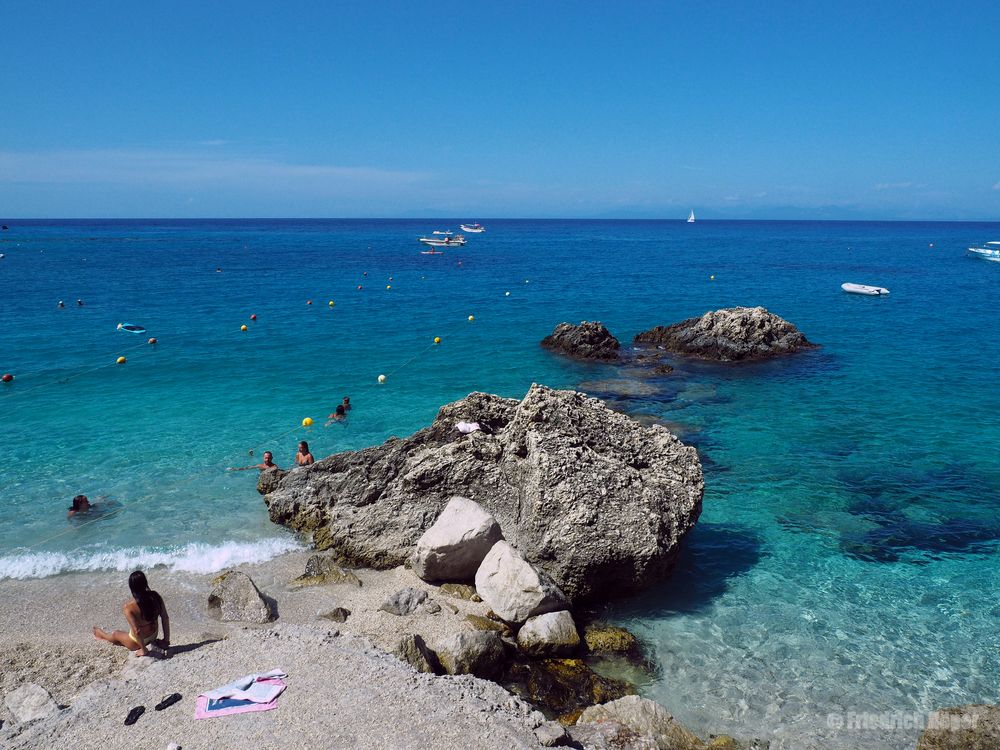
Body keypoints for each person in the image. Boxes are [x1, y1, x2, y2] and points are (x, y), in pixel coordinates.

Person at [93, 570, 170, 657]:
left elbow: (137, 631)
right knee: (122, 635)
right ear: (145, 582)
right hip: (154, 635)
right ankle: (103, 634)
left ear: (132, 587)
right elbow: (165, 618)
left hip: (137, 642)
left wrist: (144, 650)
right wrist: (166, 641)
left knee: (116, 634)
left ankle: (100, 634)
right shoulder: (155, 596)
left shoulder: (128, 607)